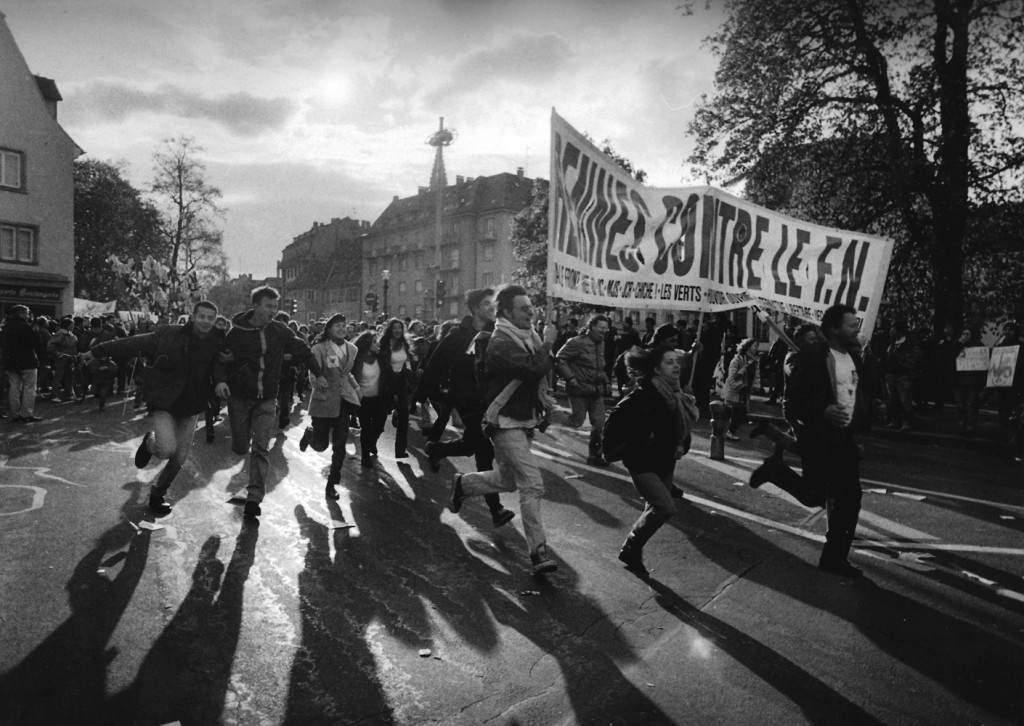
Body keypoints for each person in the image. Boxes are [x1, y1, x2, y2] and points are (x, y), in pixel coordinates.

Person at [448, 284, 559, 575]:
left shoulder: (529, 337)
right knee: (532, 484)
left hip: (524, 419)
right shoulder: (500, 342)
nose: (531, 312)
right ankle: (538, 551)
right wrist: (548, 344)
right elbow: (533, 368)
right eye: (524, 308)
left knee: (509, 481)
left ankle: (464, 484)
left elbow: (542, 368)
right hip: (505, 421)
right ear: (506, 312)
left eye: (531, 307)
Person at [84, 301, 225, 515]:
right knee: (166, 449)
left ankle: (158, 494)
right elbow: (133, 344)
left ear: (215, 320)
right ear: (193, 316)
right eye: (202, 316)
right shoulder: (169, 334)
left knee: (178, 459)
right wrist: (97, 351)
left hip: (192, 406)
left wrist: (222, 382)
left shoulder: (217, 342)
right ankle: (150, 442)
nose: (206, 321)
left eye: (210, 317)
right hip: (165, 402)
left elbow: (223, 365)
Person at [215, 287, 323, 521]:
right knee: (241, 447)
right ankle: (241, 449)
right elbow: (222, 359)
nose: (273, 311)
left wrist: (319, 374)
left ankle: (254, 498)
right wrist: (222, 380)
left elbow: (302, 349)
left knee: (261, 448)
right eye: (268, 306)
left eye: (276, 307)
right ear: (255, 305)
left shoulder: (279, 330)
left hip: (267, 399)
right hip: (240, 398)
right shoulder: (236, 332)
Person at [786, 303, 872, 577]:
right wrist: (822, 409)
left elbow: (856, 395)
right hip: (824, 437)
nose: (856, 329)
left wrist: (857, 430)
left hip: (844, 438)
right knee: (830, 495)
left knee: (844, 497)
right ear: (834, 328)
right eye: (851, 324)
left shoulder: (854, 357)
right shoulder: (814, 355)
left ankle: (834, 558)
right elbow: (794, 398)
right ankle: (834, 559)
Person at [419, 288, 515, 527]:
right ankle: (495, 509)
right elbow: (434, 366)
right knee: (484, 451)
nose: (492, 308)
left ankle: (437, 449)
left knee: (471, 445)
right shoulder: (458, 336)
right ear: (474, 308)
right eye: (486, 304)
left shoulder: (498, 333)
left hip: (490, 401)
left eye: (493, 304)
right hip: (467, 400)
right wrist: (424, 396)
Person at [614, 345, 698, 576]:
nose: (676, 366)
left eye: (676, 361)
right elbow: (617, 427)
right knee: (665, 507)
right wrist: (643, 439)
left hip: (665, 461)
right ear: (657, 369)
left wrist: (681, 443)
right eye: (669, 362)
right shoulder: (643, 395)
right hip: (642, 463)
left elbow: (680, 428)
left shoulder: (675, 394)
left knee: (653, 507)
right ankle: (632, 544)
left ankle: (632, 552)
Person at [297, 314, 361, 499]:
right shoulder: (319, 349)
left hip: (344, 401)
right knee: (320, 445)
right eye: (337, 326)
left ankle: (332, 483)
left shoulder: (352, 349)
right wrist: (318, 382)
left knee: (340, 444)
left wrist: (356, 388)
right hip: (324, 399)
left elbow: (345, 374)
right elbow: (313, 372)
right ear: (329, 329)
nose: (341, 329)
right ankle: (310, 434)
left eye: (344, 325)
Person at [555, 314, 612, 466]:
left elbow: (599, 367)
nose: (603, 331)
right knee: (577, 421)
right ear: (592, 326)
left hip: (596, 391)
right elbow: (560, 359)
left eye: (606, 328)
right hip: (579, 389)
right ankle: (551, 417)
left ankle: (595, 456)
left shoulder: (601, 343)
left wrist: (606, 381)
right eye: (601, 328)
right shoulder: (576, 342)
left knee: (599, 424)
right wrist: (570, 379)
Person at [377, 318, 415, 458]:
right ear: (390, 330)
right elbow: (383, 367)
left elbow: (407, 361)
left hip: (400, 381)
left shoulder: (404, 343)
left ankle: (400, 450)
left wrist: (409, 372)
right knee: (380, 417)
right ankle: (370, 442)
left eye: (400, 328)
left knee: (404, 416)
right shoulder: (384, 345)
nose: (398, 330)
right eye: (394, 328)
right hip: (387, 382)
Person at [1, 305, 45, 422]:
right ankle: (27, 413)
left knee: (14, 388)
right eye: (26, 313)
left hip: (11, 361)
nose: (28, 315)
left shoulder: (6, 327)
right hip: (27, 361)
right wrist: (35, 331)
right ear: (21, 314)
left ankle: (15, 413)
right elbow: (36, 342)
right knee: (29, 388)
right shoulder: (26, 327)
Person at [883, 319, 921, 431]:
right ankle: (895, 420)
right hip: (890, 374)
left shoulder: (909, 343)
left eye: (894, 329)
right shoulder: (892, 342)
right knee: (892, 400)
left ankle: (907, 422)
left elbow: (915, 358)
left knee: (905, 401)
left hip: (902, 376)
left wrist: (905, 365)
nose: (892, 331)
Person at [951, 327, 987, 435]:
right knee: (960, 404)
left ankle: (971, 427)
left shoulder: (978, 346)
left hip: (973, 380)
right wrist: (958, 344)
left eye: (968, 334)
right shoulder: (957, 345)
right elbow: (949, 356)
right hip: (959, 380)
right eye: (963, 333)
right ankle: (960, 426)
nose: (965, 336)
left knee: (971, 404)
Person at [723, 338, 759, 440]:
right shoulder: (738, 359)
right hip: (736, 390)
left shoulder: (753, 360)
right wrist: (740, 387)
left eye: (757, 346)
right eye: (754, 346)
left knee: (741, 412)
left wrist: (756, 386)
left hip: (745, 391)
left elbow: (755, 375)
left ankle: (730, 430)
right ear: (747, 347)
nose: (756, 349)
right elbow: (732, 376)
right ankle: (730, 431)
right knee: (738, 411)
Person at [46, 318, 79, 402]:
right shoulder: (60, 333)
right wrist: (58, 354)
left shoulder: (71, 334)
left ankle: (69, 393)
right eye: (72, 324)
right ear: (67, 325)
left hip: (69, 358)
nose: (73, 325)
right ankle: (55, 395)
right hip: (61, 358)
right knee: (58, 376)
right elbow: (50, 346)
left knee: (69, 376)